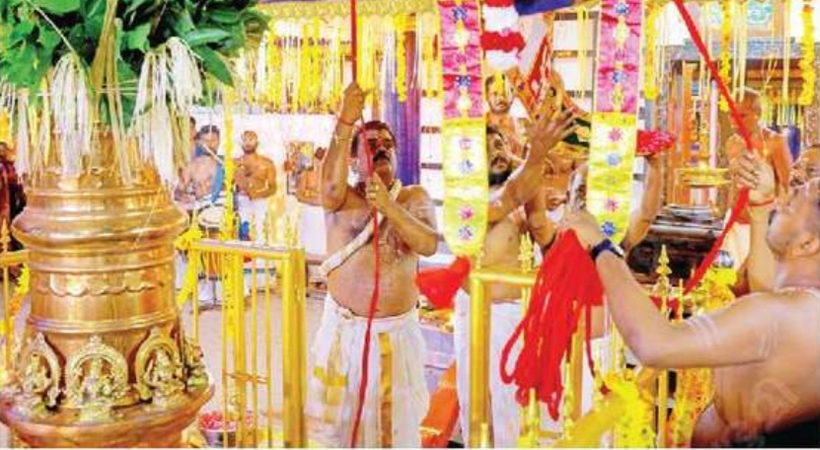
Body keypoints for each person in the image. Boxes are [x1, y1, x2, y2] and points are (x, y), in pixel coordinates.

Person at [564, 153, 820, 447]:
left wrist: (601, 247)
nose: (781, 201)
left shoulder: (782, 316)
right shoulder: (799, 305)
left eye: (790, 204)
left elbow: (655, 344)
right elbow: (764, 287)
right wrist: (761, 208)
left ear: (807, 243)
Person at [306, 83, 438, 447]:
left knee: (392, 434)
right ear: (352, 160)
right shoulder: (342, 200)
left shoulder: (414, 197)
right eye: (370, 144)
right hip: (343, 335)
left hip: (395, 337)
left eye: (387, 144)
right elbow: (328, 187)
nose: (381, 148)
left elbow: (428, 244)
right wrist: (346, 119)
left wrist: (390, 208)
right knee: (335, 434)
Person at [453, 111, 577, 447]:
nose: (497, 151)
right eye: (486, 148)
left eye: (500, 144)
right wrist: (535, 155)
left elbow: (544, 234)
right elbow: (506, 197)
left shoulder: (522, 191)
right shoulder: (467, 200)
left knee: (520, 415)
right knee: (482, 414)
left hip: (520, 318)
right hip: (481, 319)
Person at [723, 89, 793, 288]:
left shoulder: (775, 142)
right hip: (734, 224)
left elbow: (788, 188)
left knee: (756, 286)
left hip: (764, 227)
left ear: (758, 114)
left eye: (742, 115)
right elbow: (734, 186)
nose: (734, 121)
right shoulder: (732, 143)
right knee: (727, 284)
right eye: (731, 115)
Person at [177, 125, 225, 308]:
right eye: (206, 141)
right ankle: (207, 290)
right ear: (199, 142)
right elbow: (179, 191)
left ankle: (221, 290)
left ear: (219, 141)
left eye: (214, 140)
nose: (210, 144)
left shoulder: (225, 163)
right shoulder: (192, 166)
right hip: (202, 211)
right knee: (205, 251)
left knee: (222, 251)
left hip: (223, 212)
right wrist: (189, 196)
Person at [234, 130, 276, 243]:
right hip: (241, 203)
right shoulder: (235, 163)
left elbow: (273, 188)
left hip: (259, 202)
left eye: (251, 139)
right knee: (242, 235)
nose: (248, 143)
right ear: (241, 143)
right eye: (245, 140)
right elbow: (228, 185)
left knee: (260, 235)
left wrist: (257, 194)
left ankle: (260, 253)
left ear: (257, 143)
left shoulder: (267, 163)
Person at [485, 73, 526, 162]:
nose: (500, 98)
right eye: (495, 94)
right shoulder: (480, 127)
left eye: (505, 93)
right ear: (487, 96)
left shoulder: (524, 124)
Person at [0, 141, 25, 251]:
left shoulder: (8, 166)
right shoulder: (3, 166)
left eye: (3, 150)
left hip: (9, 201)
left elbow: (15, 180)